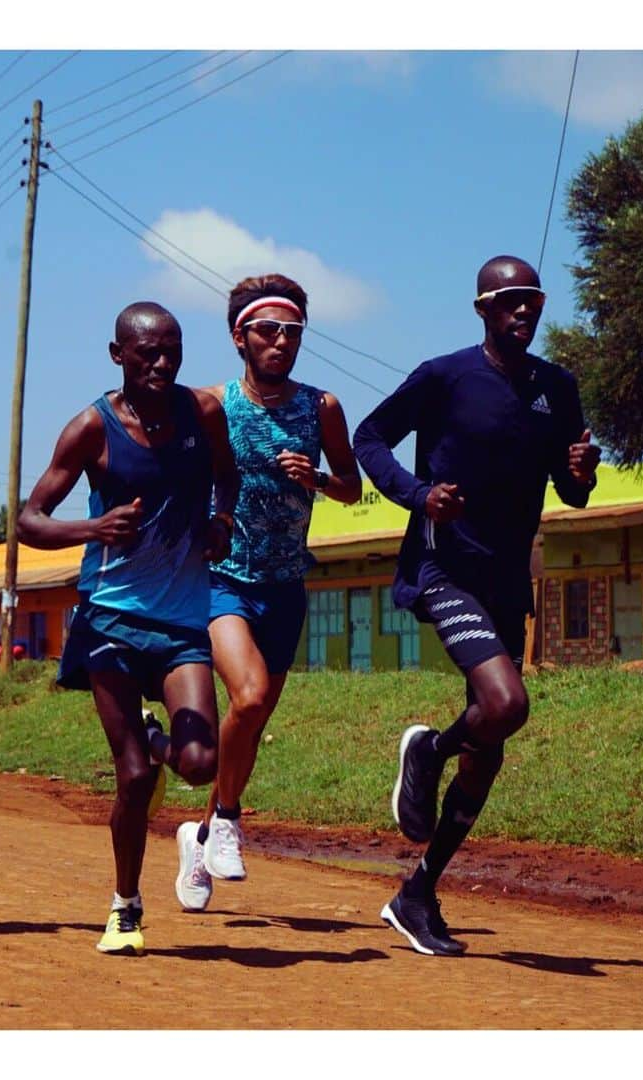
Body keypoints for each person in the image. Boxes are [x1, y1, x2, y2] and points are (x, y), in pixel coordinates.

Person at [354, 256, 600, 956]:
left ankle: (417, 892)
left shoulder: (558, 388)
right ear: (483, 310)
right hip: (445, 567)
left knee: (488, 749)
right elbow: (370, 436)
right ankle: (427, 751)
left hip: (506, 580)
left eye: (533, 302)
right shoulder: (444, 376)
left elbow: (572, 490)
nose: (523, 312)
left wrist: (581, 473)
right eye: (509, 301)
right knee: (507, 705)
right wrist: (417, 493)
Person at [17, 301, 238, 956]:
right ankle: (126, 905)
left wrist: (222, 522)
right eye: (147, 352)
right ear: (118, 354)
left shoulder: (203, 414)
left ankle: (156, 742)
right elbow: (30, 520)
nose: (161, 362)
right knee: (136, 777)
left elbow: (228, 475)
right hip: (109, 617)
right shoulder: (93, 428)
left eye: (171, 349)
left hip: (181, 623)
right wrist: (93, 528)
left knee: (198, 765)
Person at [174, 274, 362, 912]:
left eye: (292, 333)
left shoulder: (322, 408)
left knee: (249, 726)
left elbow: (352, 487)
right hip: (223, 581)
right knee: (248, 696)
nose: (281, 342)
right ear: (239, 338)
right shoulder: (211, 405)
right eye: (267, 331)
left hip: (286, 586)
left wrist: (318, 478)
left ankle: (200, 838)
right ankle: (227, 818)